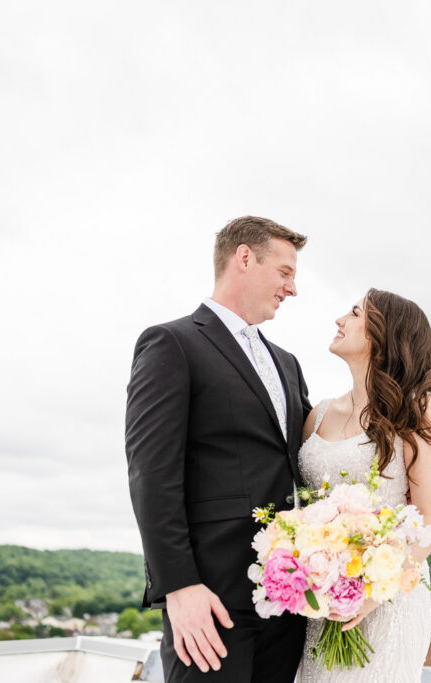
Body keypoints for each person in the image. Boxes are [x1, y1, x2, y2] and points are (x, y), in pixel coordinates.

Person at [125, 216, 312, 683]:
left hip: (289, 603)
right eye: (285, 272)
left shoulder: (287, 364)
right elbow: (152, 473)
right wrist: (179, 587)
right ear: (244, 258)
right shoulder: (173, 343)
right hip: (210, 603)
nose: (292, 289)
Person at [296, 288, 431, 682]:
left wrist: (372, 593)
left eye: (354, 313)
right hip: (323, 597)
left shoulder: (419, 409)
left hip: (389, 599)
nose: (340, 319)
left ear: (382, 335)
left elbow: (428, 525)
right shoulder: (318, 415)